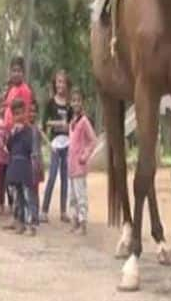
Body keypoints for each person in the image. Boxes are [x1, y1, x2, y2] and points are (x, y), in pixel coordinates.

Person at [41, 70, 72, 223]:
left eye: (63, 82)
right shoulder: (50, 103)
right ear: (55, 84)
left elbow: (72, 125)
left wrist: (69, 127)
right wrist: (58, 124)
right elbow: (44, 123)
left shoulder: (69, 105)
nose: (60, 85)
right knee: (52, 176)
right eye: (58, 82)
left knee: (65, 178)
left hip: (67, 143)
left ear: (67, 85)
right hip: (55, 144)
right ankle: (44, 210)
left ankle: (63, 211)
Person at [4, 99, 37, 236]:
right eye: (16, 114)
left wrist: (21, 132)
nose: (19, 116)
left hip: (25, 166)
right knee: (17, 197)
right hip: (14, 166)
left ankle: (30, 224)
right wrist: (12, 135)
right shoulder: (12, 132)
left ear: (25, 113)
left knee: (27, 196)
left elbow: (29, 147)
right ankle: (20, 222)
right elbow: (9, 147)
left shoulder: (29, 131)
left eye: (21, 113)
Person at [67, 89, 96, 235]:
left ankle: (83, 224)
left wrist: (85, 155)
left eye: (78, 100)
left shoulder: (84, 121)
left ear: (82, 103)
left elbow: (93, 140)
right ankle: (74, 221)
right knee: (72, 196)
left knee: (80, 195)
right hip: (71, 166)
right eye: (73, 100)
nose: (76, 103)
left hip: (79, 165)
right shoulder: (72, 121)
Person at [28, 99, 45, 228]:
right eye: (30, 111)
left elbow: (39, 147)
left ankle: (35, 216)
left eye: (34, 112)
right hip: (27, 162)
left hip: (36, 163)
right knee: (27, 191)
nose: (32, 114)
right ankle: (29, 216)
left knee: (34, 191)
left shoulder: (37, 129)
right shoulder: (25, 128)